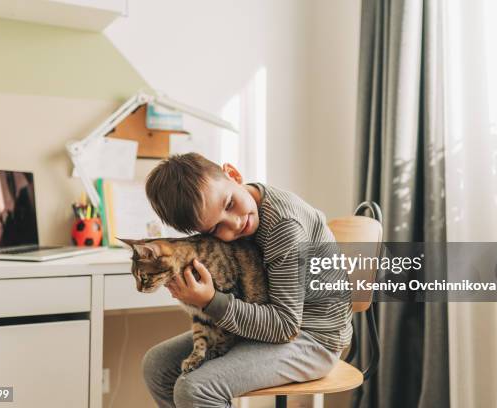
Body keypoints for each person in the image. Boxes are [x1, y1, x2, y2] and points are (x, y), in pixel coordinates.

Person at [142, 152, 352, 408]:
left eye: (229, 204)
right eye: (215, 229)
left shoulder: (284, 226)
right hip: (269, 328)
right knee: (156, 365)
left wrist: (210, 301)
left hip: (312, 339)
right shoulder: (238, 214)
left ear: (234, 175)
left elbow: (285, 328)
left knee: (196, 389)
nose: (234, 224)